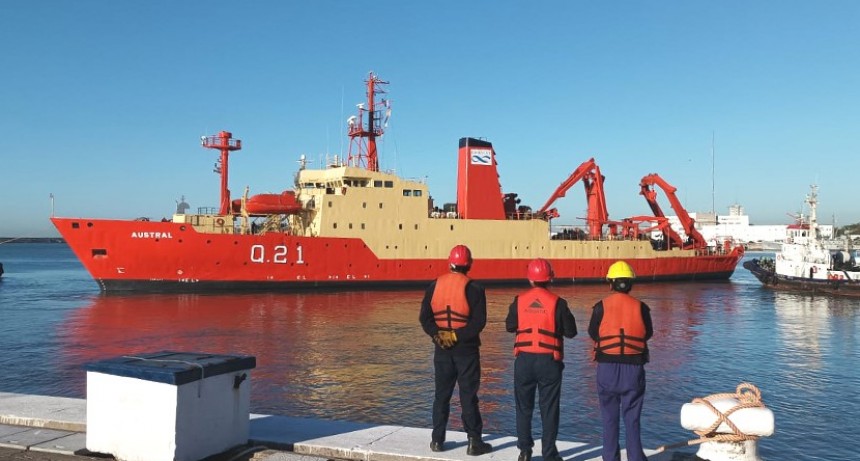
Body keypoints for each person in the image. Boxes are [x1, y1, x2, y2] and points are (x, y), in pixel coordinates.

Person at [419, 244, 493, 456]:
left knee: (441, 396)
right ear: (469, 264)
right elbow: (478, 323)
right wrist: (456, 336)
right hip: (466, 351)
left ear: (449, 262)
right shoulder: (476, 288)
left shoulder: (434, 285)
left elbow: (425, 318)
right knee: (468, 396)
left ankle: (437, 440)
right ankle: (474, 442)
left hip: (442, 350)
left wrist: (438, 335)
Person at [505, 258, 577, 461]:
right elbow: (571, 332)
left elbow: (510, 326)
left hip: (524, 361)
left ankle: (524, 451)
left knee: (523, 408)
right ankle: (549, 453)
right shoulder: (558, 303)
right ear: (549, 279)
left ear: (530, 279)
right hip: (549, 361)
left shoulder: (519, 301)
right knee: (549, 409)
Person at [588, 261, 654, 461]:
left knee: (609, 418)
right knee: (632, 418)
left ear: (611, 283)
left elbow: (593, 332)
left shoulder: (600, 307)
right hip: (633, 369)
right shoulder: (642, 308)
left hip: (607, 368)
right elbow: (648, 333)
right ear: (630, 283)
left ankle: (610, 457)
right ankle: (636, 457)